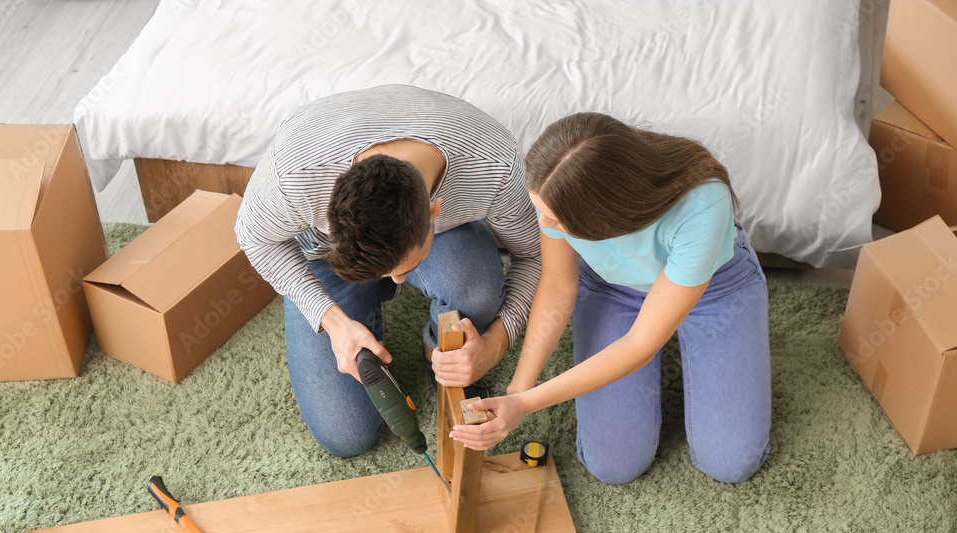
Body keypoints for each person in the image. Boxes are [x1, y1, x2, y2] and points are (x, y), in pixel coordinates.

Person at [451, 112, 771, 484]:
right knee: (613, 465)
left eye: (554, 220)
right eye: (541, 211)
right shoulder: (557, 188)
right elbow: (558, 285)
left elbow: (639, 343)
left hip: (716, 289)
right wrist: (519, 387)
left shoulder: (704, 205)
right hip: (614, 287)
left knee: (732, 463)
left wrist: (526, 405)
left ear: (605, 216)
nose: (543, 226)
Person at [235, 85, 540, 458]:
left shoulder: (492, 164)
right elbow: (253, 239)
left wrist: (496, 343)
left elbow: (534, 257)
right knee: (346, 436)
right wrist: (331, 320)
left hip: (446, 237)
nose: (395, 283)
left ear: (434, 210)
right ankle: (347, 294)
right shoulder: (297, 175)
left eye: (402, 272)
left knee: (476, 292)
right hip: (328, 257)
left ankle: (436, 355)